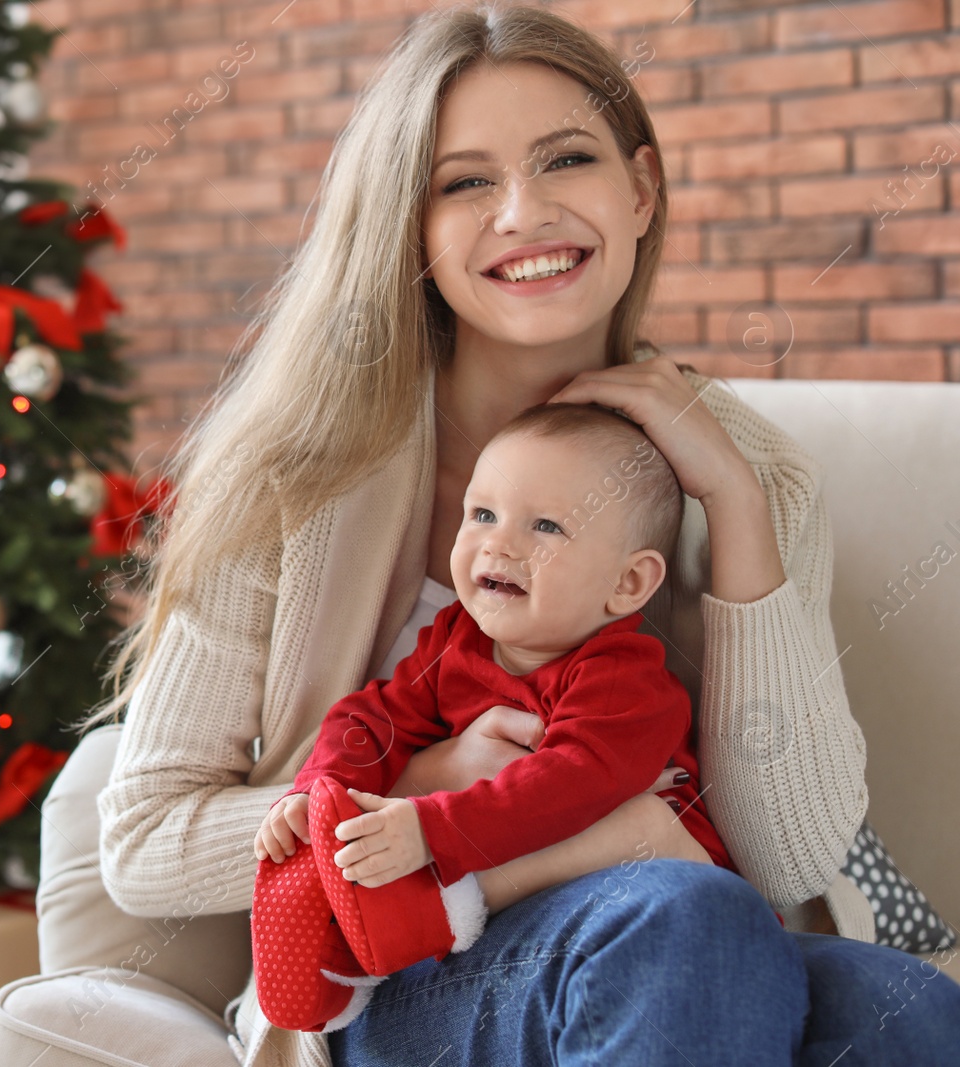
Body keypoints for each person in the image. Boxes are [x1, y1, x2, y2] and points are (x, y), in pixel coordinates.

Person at [83, 3, 960, 1065]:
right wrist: (431, 781)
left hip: (682, 931)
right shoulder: (291, 476)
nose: (523, 211)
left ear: (638, 190)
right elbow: (142, 843)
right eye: (463, 181)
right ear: (409, 225)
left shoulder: (755, 472)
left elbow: (788, 852)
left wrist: (733, 503)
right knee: (684, 919)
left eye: (567, 159)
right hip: (398, 960)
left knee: (906, 1006)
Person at [249, 403, 738, 1034]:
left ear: (628, 582)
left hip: (667, 887)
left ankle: (437, 909)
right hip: (530, 931)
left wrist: (433, 830)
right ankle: (343, 951)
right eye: (483, 514)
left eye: (546, 527)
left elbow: (570, 783)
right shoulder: (456, 640)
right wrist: (321, 786)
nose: (499, 543)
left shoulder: (623, 676)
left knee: (633, 818)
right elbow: (374, 717)